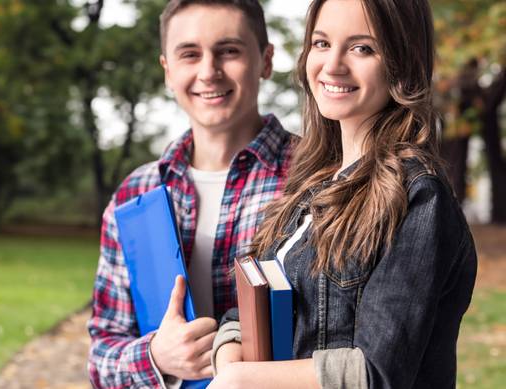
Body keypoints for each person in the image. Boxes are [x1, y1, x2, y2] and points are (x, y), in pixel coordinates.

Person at [209, 0, 477, 388]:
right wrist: (228, 353)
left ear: (402, 60)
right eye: (321, 43)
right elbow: (251, 310)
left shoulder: (417, 195)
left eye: (362, 48)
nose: (332, 65)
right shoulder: (314, 181)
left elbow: (377, 373)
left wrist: (241, 381)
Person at [87, 0, 296, 387]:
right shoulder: (135, 193)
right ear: (167, 70)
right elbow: (101, 356)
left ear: (265, 61)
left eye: (229, 51)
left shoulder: (317, 179)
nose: (208, 72)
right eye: (189, 54)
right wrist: (156, 357)